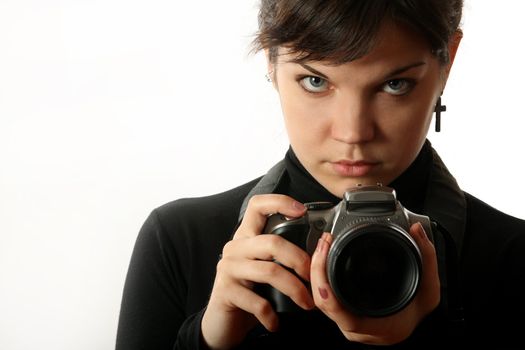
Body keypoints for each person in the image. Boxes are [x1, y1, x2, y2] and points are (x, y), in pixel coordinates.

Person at [116, 1, 525, 349]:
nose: (353, 133)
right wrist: (206, 338)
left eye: (395, 84)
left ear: (447, 64)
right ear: (271, 63)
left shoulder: (514, 258)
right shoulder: (179, 240)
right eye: (315, 81)